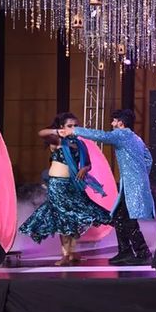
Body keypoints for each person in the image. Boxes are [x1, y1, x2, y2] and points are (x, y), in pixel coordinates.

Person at [61, 109, 155, 265]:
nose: (112, 124)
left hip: (133, 184)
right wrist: (141, 175)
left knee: (127, 218)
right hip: (135, 183)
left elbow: (101, 136)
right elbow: (148, 159)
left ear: (120, 123)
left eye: (114, 121)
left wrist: (75, 130)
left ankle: (142, 252)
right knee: (119, 216)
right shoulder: (136, 138)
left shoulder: (122, 134)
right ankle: (125, 252)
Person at [19, 113, 111, 265]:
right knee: (62, 218)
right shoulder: (58, 141)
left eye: (75, 125)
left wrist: (84, 169)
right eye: (70, 126)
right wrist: (56, 132)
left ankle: (72, 252)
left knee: (73, 217)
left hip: (74, 183)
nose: (73, 128)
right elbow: (41, 133)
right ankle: (65, 254)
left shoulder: (81, 144)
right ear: (62, 127)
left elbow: (88, 163)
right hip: (58, 185)